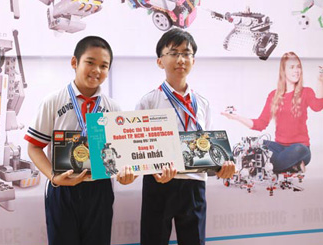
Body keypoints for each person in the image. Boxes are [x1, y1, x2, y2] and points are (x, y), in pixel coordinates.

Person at [25, 36, 136, 245]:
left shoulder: (113, 109)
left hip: (100, 189)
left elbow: (121, 156)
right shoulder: (53, 101)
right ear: (74, 62)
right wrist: (53, 177)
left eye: (104, 66)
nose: (97, 70)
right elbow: (34, 147)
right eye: (90, 62)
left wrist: (127, 175)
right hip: (62, 188)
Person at [135, 28, 236, 245]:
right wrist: (154, 171)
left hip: (194, 184)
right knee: (153, 240)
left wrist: (223, 167)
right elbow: (138, 150)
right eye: (173, 53)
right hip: (159, 183)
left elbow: (209, 149)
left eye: (186, 53)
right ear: (160, 61)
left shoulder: (203, 103)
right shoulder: (148, 102)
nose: (181, 59)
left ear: (193, 60)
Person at [222, 52, 323, 173]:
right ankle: (291, 166)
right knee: (256, 144)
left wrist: (320, 81)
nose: (296, 70)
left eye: (298, 67)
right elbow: (260, 124)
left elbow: (317, 106)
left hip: (300, 148)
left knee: (298, 150)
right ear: (283, 71)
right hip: (279, 147)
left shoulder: (306, 92)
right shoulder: (273, 96)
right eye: (292, 67)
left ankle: (266, 166)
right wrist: (236, 117)